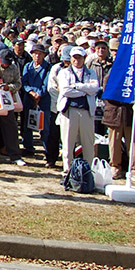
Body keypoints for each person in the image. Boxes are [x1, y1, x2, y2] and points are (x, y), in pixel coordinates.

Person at [55, 46, 100, 174]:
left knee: (88, 143)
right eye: (74, 57)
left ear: (84, 58)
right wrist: (85, 92)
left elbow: (95, 88)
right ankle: (67, 170)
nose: (77, 60)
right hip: (69, 111)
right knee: (68, 143)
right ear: (70, 58)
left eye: (79, 57)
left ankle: (88, 171)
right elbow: (65, 91)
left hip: (86, 111)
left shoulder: (91, 72)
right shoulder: (64, 72)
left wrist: (77, 86)